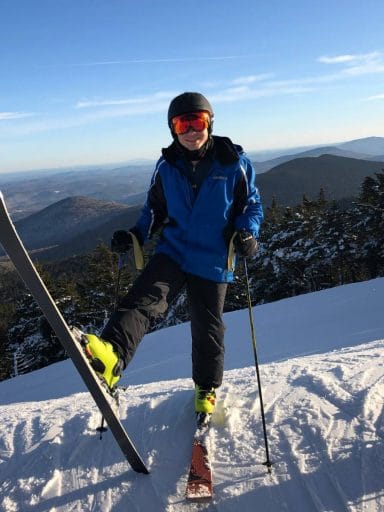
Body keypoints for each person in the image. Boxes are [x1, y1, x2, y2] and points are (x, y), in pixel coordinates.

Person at [82, 92, 263, 415]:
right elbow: (153, 210)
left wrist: (248, 231)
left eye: (198, 122)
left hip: (213, 256)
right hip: (175, 250)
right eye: (183, 124)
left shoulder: (235, 162)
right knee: (142, 300)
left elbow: (251, 205)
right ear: (173, 129)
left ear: (210, 123)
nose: (192, 132)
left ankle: (206, 388)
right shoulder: (167, 165)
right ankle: (111, 356)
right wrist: (135, 234)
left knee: (207, 326)